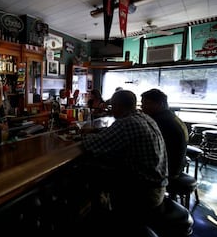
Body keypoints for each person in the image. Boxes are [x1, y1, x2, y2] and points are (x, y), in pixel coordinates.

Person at [79, 90, 168, 226]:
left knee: (90, 169)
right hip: (157, 187)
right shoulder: (144, 117)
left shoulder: (126, 123)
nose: (111, 110)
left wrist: (82, 135)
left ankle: (96, 217)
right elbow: (116, 134)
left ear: (119, 106)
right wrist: (96, 131)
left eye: (112, 106)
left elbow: (90, 144)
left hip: (143, 193)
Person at [141, 88, 189, 180]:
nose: (142, 107)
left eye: (146, 103)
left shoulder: (159, 121)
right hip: (178, 164)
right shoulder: (170, 116)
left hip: (168, 170)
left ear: (159, 104)